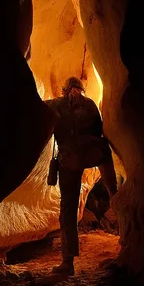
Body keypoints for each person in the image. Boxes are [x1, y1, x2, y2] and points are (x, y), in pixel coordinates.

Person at [45, 76, 118, 275]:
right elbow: (99, 129)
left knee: (68, 208)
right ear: (81, 89)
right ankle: (126, 229)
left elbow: (39, 112)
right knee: (116, 193)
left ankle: (67, 263)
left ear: (64, 90)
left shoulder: (57, 104)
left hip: (70, 159)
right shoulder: (91, 105)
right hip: (95, 153)